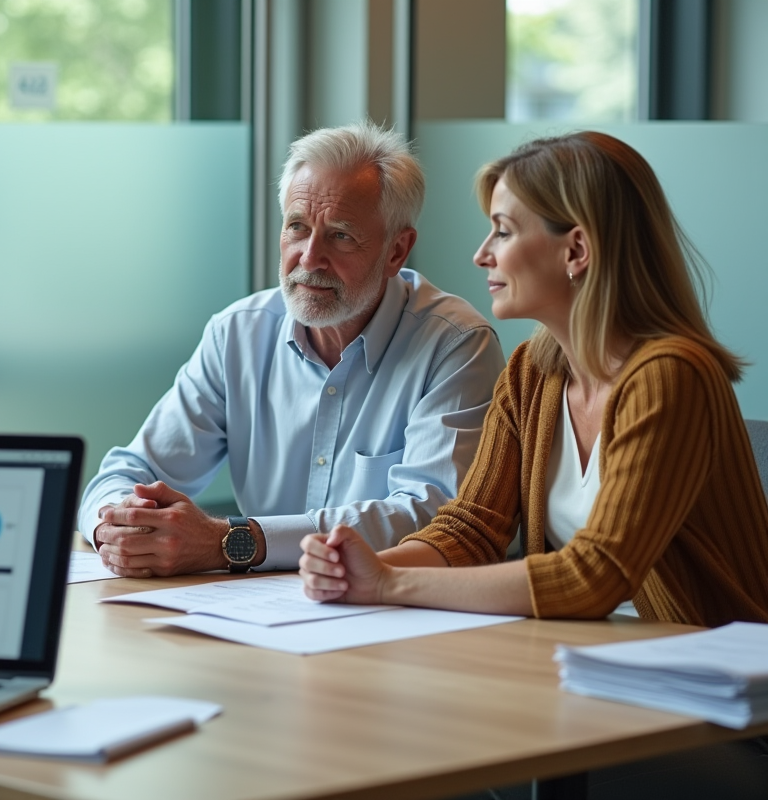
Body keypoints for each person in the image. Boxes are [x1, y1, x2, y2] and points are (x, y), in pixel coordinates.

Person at [299, 131, 768, 799]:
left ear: (576, 250)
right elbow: (470, 530)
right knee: (387, 726)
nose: (480, 254)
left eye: (502, 230)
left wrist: (389, 587)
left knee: (443, 754)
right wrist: (359, 568)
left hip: (719, 713)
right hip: (587, 676)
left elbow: (593, 577)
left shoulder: (671, 377)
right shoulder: (534, 371)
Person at [82, 121, 506, 578]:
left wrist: (234, 541)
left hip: (392, 618)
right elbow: (130, 469)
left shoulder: (456, 344)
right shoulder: (238, 334)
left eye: (340, 235)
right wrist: (118, 523)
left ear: (396, 252)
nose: (308, 258)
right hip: (258, 615)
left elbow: (431, 515)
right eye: (297, 228)